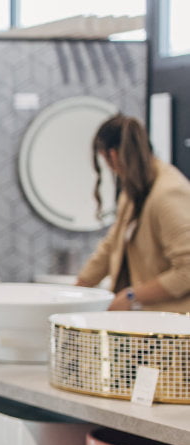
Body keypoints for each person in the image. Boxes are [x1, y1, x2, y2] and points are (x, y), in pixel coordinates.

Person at [76, 114, 190, 313]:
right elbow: (112, 245)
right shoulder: (134, 191)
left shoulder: (168, 193)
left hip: (170, 327)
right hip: (143, 322)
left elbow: (187, 270)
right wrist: (79, 289)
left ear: (112, 156)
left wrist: (132, 295)